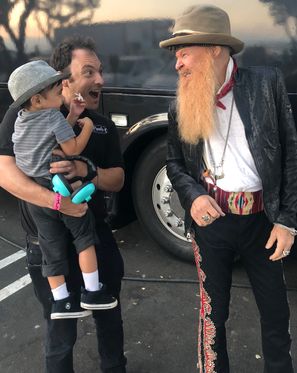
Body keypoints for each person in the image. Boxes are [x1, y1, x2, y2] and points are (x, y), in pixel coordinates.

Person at [160, 5, 297, 373]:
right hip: (212, 225)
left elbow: (291, 155)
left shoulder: (266, 83)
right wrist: (193, 196)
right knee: (212, 314)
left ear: (216, 49)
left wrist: (287, 221)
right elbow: (173, 163)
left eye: (184, 52)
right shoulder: (179, 103)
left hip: (263, 223)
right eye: (176, 55)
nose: (178, 64)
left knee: (275, 312)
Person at [0, 36, 127, 373]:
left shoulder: (101, 124)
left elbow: (118, 180)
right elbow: (4, 173)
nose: (100, 79)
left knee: (109, 321)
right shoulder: (24, 112)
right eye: (89, 72)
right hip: (45, 241)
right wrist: (61, 203)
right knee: (60, 331)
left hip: (96, 237)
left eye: (99, 71)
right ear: (62, 79)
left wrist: (90, 172)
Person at [8, 60, 117, 319]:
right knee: (83, 234)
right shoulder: (52, 116)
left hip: (37, 194)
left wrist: (71, 116)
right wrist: (86, 126)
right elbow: (73, 149)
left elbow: (44, 140)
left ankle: (61, 302)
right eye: (58, 92)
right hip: (60, 185)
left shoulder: (22, 120)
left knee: (50, 245)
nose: (62, 93)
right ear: (37, 99)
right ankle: (92, 292)